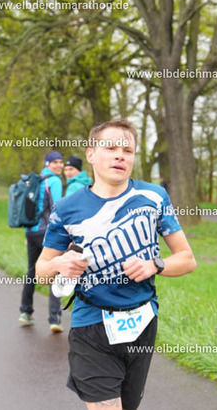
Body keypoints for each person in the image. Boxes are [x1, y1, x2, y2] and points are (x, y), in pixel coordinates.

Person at [36, 119, 196, 410]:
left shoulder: (153, 197)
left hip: (142, 322)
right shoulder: (67, 209)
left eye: (128, 150)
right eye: (110, 148)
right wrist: (59, 263)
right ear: (91, 154)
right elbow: (41, 272)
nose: (120, 156)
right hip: (91, 326)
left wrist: (155, 265)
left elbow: (187, 259)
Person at [19, 151, 65, 332]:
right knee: (54, 272)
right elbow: (58, 209)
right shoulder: (54, 181)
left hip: (31, 232)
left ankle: (25, 312)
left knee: (32, 271)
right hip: (47, 233)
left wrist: (27, 233)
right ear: (47, 164)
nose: (59, 165)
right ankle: (55, 319)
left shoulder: (35, 180)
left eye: (61, 162)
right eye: (55, 162)